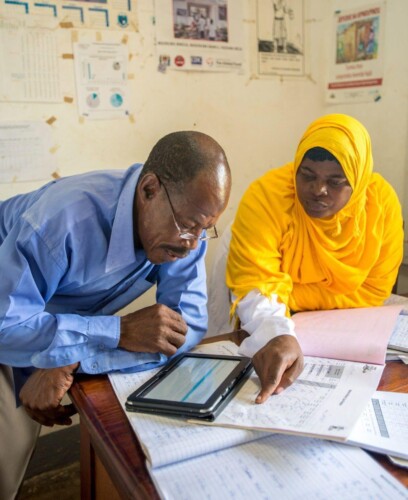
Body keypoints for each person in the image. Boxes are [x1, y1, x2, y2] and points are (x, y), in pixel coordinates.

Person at [0, 130, 231, 500]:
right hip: (7, 308)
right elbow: (6, 326)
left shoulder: (183, 232)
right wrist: (116, 331)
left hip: (47, 325)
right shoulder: (62, 220)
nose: (192, 245)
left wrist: (73, 357)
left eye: (205, 229)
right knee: (4, 465)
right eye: (188, 225)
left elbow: (184, 327)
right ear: (149, 190)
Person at [226, 113, 403, 404]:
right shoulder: (266, 197)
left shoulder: (381, 205)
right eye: (306, 175)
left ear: (358, 183)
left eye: (336, 182)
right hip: (255, 288)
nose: (318, 190)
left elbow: (374, 291)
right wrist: (277, 331)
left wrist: (288, 293)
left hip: (329, 326)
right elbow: (256, 286)